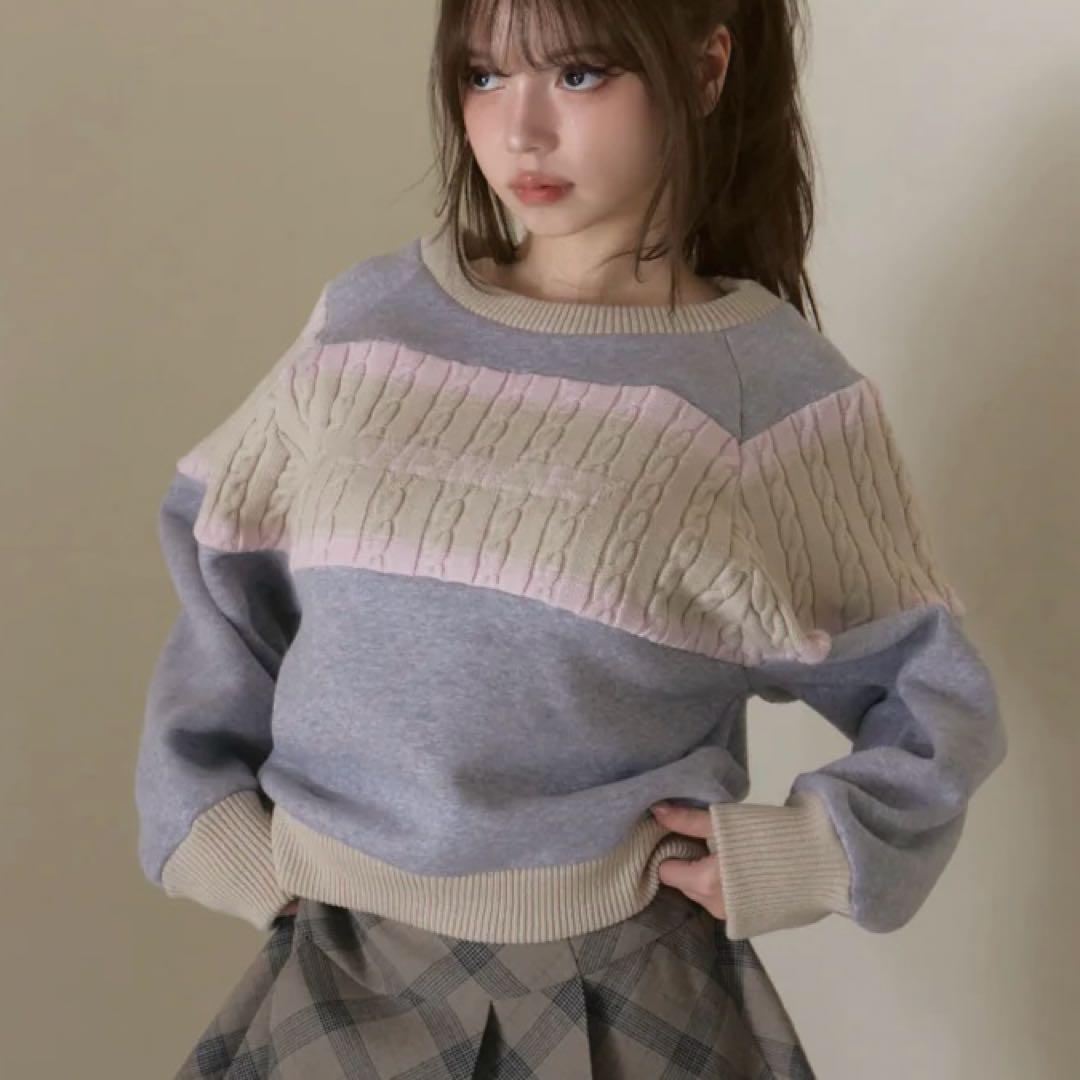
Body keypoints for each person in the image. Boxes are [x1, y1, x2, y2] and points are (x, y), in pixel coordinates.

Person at [135, 1, 1008, 1076]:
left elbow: (933, 693)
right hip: (337, 967)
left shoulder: (770, 392)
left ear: (706, 70)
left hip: (626, 990)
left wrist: (815, 850)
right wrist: (207, 816)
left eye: (581, 74)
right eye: (484, 76)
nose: (521, 131)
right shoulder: (368, 321)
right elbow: (219, 559)